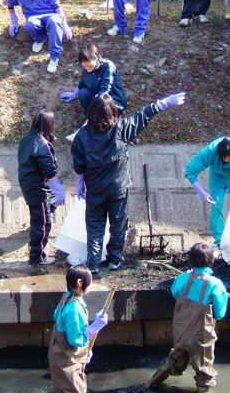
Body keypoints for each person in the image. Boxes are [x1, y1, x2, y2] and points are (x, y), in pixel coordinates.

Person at [71, 91, 186, 274]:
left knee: (95, 227)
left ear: (91, 112)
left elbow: (79, 164)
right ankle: (115, 259)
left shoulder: (81, 137)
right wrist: (162, 103)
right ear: (112, 112)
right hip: (118, 189)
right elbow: (142, 116)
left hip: (95, 190)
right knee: (118, 225)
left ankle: (93, 263)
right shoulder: (121, 129)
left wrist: (79, 184)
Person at [144, 243, 228, 393]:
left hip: (181, 330)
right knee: (204, 371)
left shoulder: (182, 278)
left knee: (174, 360)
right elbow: (220, 313)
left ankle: (148, 385)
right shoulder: (215, 285)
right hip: (201, 336)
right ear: (211, 260)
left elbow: (175, 293)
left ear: (190, 260)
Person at [48, 265, 109, 393]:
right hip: (66, 360)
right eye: (90, 282)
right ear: (80, 282)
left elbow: (55, 316)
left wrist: (86, 351)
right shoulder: (73, 308)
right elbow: (76, 339)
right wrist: (95, 327)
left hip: (63, 355)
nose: (91, 285)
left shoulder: (66, 297)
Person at [18, 109, 65, 266]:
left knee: (42, 216)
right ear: (49, 124)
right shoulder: (42, 145)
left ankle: (36, 252)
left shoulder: (26, 140)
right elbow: (49, 171)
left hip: (28, 184)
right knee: (43, 223)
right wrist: (58, 191)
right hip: (38, 188)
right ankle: (37, 256)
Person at [7, 0, 72, 73]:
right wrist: (14, 22)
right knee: (30, 24)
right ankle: (41, 38)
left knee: (54, 22)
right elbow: (10, 6)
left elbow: (57, 6)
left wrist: (65, 24)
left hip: (51, 14)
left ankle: (54, 57)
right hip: (33, 16)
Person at [59, 44, 127, 117]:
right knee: (83, 93)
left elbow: (105, 89)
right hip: (97, 97)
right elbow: (83, 83)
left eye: (90, 66)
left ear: (97, 58)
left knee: (103, 106)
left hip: (112, 102)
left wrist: (95, 104)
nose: (87, 69)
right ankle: (90, 116)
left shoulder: (108, 67)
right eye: (84, 66)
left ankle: (99, 119)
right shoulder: (86, 68)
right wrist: (75, 93)